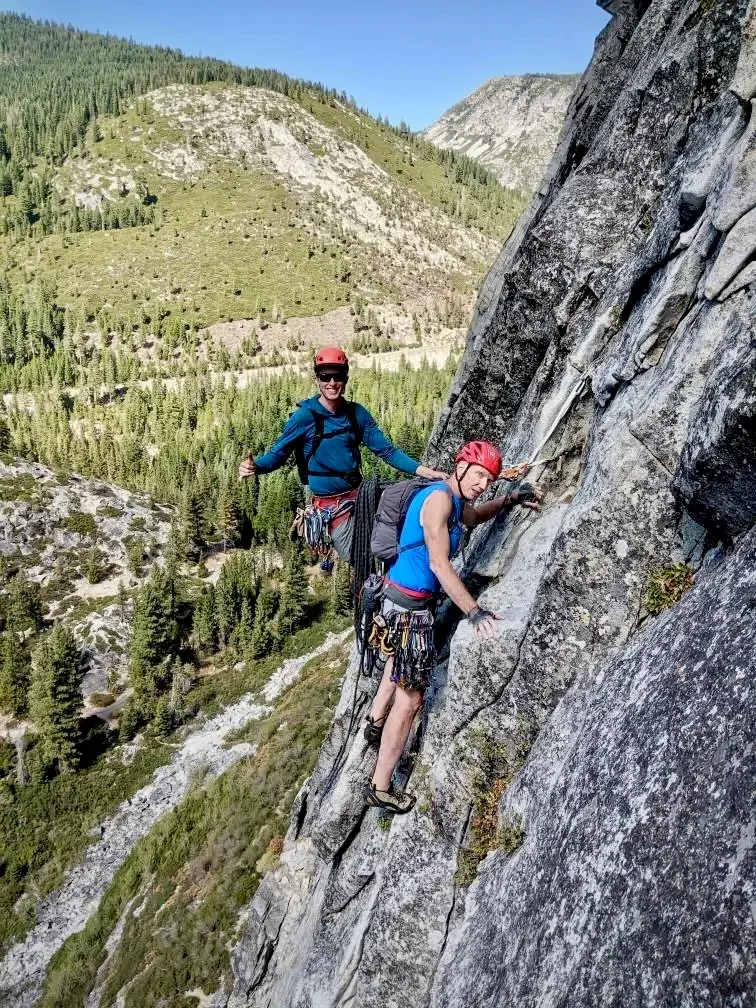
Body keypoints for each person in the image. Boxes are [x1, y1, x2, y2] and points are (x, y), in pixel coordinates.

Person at [365, 440, 544, 814]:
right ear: (459, 467)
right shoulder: (439, 500)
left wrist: (510, 500)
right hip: (409, 609)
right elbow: (438, 564)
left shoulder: (457, 501)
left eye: (489, 479)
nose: (482, 483)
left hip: (403, 602)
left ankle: (374, 721)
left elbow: (475, 518)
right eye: (478, 474)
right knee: (411, 698)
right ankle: (380, 786)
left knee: (396, 664)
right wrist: (474, 611)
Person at [238, 345, 447, 562]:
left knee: (412, 512)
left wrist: (426, 472)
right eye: (325, 376)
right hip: (333, 509)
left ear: (345, 378)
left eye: (337, 376)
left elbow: (387, 451)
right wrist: (257, 466)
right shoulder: (304, 417)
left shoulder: (357, 414)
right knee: (359, 558)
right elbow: (278, 454)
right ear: (317, 379)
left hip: (362, 496)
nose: (331, 383)